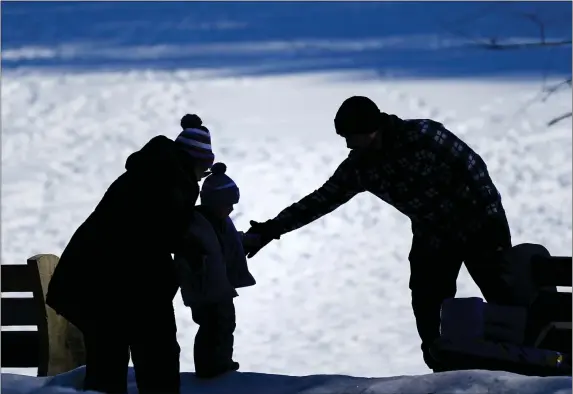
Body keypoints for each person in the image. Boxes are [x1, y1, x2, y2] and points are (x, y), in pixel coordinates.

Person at [243, 96, 516, 372]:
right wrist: (270, 229)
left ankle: (523, 363)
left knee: (503, 294)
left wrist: (491, 226)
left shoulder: (425, 137)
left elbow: (474, 170)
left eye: (353, 136)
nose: (349, 145)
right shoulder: (361, 167)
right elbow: (321, 200)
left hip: (478, 226)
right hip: (432, 235)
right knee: (425, 299)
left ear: (373, 129)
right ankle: (442, 366)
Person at [46, 114, 215, 394]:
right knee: (155, 357)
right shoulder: (174, 182)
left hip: (90, 282)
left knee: (110, 361)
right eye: (205, 171)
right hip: (115, 284)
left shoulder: (150, 171)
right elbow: (165, 237)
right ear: (199, 162)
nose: (202, 178)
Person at [174, 162, 256, 379]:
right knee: (211, 326)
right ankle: (209, 366)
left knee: (226, 323)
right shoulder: (194, 222)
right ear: (212, 202)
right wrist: (195, 262)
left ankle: (222, 361)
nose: (230, 209)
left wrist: (248, 240)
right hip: (203, 286)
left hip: (218, 285)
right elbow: (187, 248)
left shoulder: (222, 222)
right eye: (227, 204)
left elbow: (230, 242)